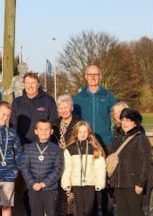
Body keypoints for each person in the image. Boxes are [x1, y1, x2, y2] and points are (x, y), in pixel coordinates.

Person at [73, 65, 116, 215]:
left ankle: (107, 211)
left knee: (106, 180)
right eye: (90, 74)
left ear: (100, 76)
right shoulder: (78, 98)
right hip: (86, 144)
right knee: (90, 179)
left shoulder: (107, 95)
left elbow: (117, 114)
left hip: (106, 142)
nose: (93, 77)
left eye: (96, 74)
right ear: (85, 76)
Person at [109, 108, 151, 216]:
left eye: (128, 120)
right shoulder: (117, 138)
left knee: (136, 212)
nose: (124, 123)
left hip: (133, 183)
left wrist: (140, 183)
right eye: (123, 120)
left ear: (135, 122)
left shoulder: (140, 138)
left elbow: (145, 163)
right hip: (118, 184)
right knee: (122, 212)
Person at [61, 121, 107, 216]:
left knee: (90, 209)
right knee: (80, 210)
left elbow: (100, 167)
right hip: (76, 183)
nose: (82, 134)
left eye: (85, 132)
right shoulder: (70, 149)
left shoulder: (94, 148)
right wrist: (66, 183)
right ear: (75, 133)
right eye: (80, 132)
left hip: (91, 183)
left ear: (89, 133)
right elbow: (67, 167)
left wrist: (100, 182)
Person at [21, 120, 63, 216]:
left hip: (50, 189)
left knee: (51, 213)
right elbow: (24, 167)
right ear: (36, 131)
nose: (44, 132)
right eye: (41, 129)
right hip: (34, 188)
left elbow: (58, 169)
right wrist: (33, 183)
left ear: (51, 131)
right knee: (36, 213)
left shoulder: (56, 149)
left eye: (46, 129)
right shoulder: (29, 148)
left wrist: (45, 183)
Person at [52, 93, 82, 216]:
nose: (63, 110)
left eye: (66, 107)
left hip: (74, 161)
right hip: (59, 162)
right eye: (60, 108)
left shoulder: (78, 123)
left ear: (71, 108)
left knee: (73, 191)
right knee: (61, 192)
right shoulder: (55, 123)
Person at [10, 72, 58, 145]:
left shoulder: (48, 100)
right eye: (27, 83)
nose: (30, 86)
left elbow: (53, 123)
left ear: (38, 85)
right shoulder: (17, 102)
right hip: (23, 146)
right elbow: (13, 125)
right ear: (24, 85)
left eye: (33, 83)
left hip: (44, 145)